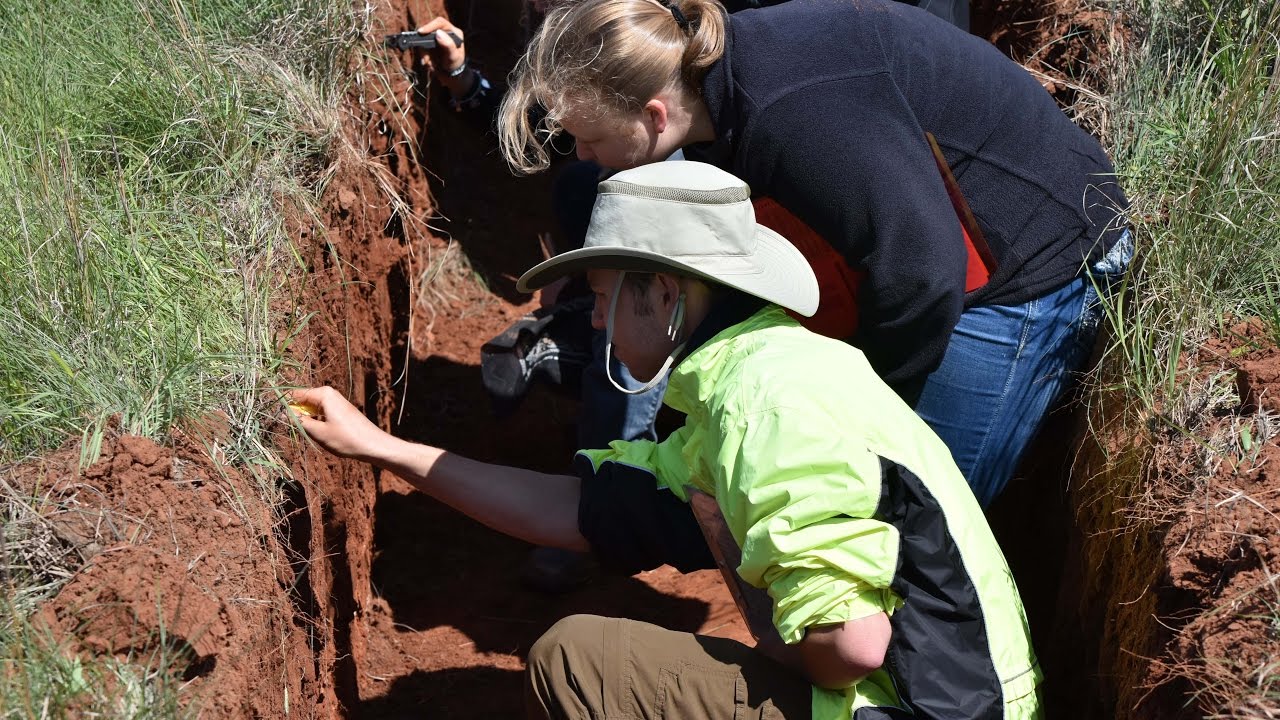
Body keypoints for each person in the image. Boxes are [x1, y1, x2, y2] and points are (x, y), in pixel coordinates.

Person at [293, 161, 1043, 719]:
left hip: (922, 708)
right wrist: (382, 450)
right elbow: (579, 510)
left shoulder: (761, 406)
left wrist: (777, 640)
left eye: (604, 291)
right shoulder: (758, 379)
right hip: (953, 696)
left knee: (577, 663)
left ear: (665, 293)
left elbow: (852, 645)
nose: (591, 318)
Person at [495, 0, 1132, 509]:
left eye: (591, 138)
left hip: (1036, 256)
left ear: (655, 117)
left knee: (904, 517)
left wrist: (861, 401)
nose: (581, 154)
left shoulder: (789, 115)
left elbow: (924, 275)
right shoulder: (718, 91)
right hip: (944, 241)